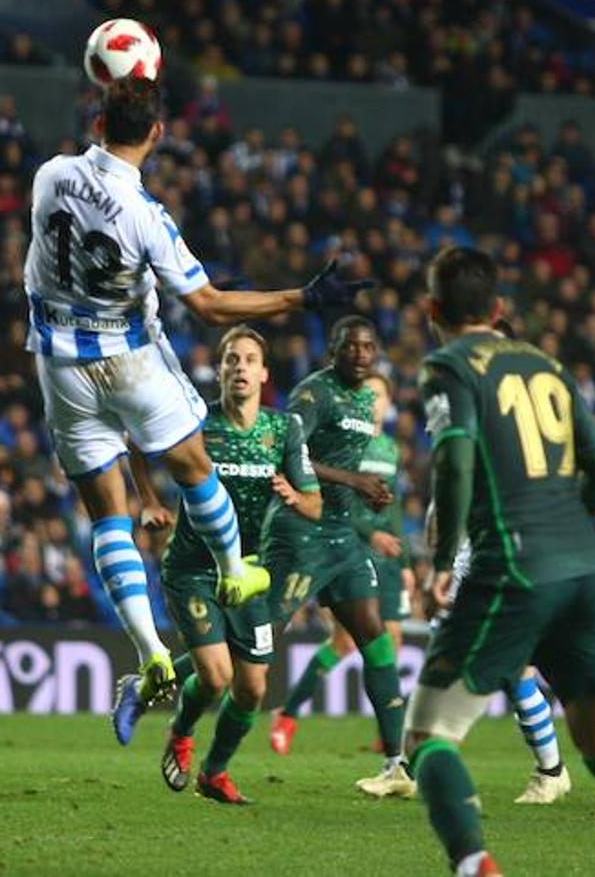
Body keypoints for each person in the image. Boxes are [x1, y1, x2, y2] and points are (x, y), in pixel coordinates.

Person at [22, 76, 368, 734]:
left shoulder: (50, 175)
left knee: (107, 516)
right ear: (156, 134)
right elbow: (208, 306)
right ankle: (234, 571)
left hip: (56, 363)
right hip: (124, 357)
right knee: (193, 464)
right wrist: (300, 297)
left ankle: (150, 653)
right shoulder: (145, 214)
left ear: (97, 124)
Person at [406, 246, 595, 876]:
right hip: (590, 569)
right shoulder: (549, 366)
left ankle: (474, 863)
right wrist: (568, 513)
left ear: (432, 309)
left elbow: (454, 459)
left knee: (429, 734)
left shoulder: (447, 366)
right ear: (500, 308)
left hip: (513, 563)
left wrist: (438, 562)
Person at [147, 326, 321, 804]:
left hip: (249, 575)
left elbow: (315, 505)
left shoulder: (283, 429)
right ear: (220, 371)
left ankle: (214, 772)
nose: (240, 367)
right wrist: (148, 500)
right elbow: (138, 445)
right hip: (194, 568)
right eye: (231, 360)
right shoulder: (196, 422)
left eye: (249, 360)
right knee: (217, 676)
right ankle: (181, 733)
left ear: (264, 373)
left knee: (252, 688)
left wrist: (293, 496)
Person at [262, 316, 412, 799]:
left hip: (343, 536)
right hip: (303, 529)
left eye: (369, 346)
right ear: (334, 349)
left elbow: (354, 470)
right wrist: (355, 483)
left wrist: (369, 500)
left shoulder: (366, 404)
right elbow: (289, 449)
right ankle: (165, 681)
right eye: (353, 346)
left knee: (375, 636)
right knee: (258, 638)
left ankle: (397, 765)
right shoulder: (315, 392)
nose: (362, 354)